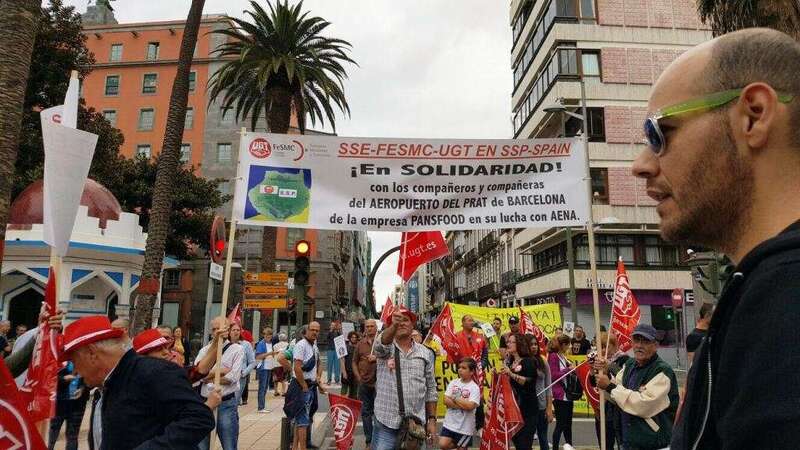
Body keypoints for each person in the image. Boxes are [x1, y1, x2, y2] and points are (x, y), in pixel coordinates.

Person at [630, 27, 800, 449]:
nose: (641, 164)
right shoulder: (762, 287)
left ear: (754, 115)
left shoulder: (786, 300)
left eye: (659, 133)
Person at [62, 316, 213, 450]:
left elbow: (199, 418)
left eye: (75, 361)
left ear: (92, 354)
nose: (75, 371)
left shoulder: (153, 372)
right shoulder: (105, 387)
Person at [595, 325, 678, 450]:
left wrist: (610, 387)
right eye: (636, 340)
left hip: (653, 443)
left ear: (655, 346)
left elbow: (644, 405)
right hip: (628, 440)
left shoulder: (662, 370)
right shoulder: (630, 364)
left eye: (645, 341)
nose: (639, 345)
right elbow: (616, 394)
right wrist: (603, 375)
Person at [372, 306, 438, 450]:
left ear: (412, 324)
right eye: (397, 321)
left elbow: (431, 388)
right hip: (386, 423)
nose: (401, 323)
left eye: (405, 320)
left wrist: (432, 420)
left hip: (415, 426)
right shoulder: (386, 347)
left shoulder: (425, 352)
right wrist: (394, 325)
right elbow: (380, 346)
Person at [132, 328, 223, 410]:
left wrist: (216, 343)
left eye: (165, 347)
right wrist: (209, 405)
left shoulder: (171, 374)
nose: (166, 352)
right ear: (143, 357)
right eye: (158, 349)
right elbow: (183, 421)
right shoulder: (145, 386)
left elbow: (199, 371)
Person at [194, 317, 244, 450]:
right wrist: (222, 371)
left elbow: (232, 377)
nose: (217, 332)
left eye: (220, 328)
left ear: (227, 330)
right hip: (205, 403)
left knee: (229, 445)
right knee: (201, 445)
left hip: (226, 404)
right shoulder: (204, 351)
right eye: (214, 329)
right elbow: (197, 375)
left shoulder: (237, 350)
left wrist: (208, 375)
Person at [290, 321, 327, 450]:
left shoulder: (314, 346)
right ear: (306, 331)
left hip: (310, 385)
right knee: (303, 420)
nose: (315, 332)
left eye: (317, 330)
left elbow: (319, 364)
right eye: (312, 330)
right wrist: (304, 386)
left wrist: (318, 380)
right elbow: (297, 368)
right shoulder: (301, 345)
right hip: (301, 386)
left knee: (301, 420)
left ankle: (295, 446)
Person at [590, 332, 629, 450]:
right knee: (604, 442)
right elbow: (593, 383)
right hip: (602, 407)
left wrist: (609, 366)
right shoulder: (599, 360)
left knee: (621, 441)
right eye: (599, 347)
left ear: (614, 345)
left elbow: (625, 378)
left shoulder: (624, 359)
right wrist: (592, 371)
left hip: (617, 406)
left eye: (605, 346)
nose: (602, 350)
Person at [502, 334, 538, 450]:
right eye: (508, 342)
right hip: (515, 408)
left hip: (527, 409)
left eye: (511, 342)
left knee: (524, 444)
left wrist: (511, 374)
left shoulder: (528, 361)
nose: (508, 344)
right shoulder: (511, 361)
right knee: (517, 442)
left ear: (519, 345)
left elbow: (529, 381)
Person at [454, 315, 488, 431]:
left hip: (477, 374)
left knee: (478, 398)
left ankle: (480, 426)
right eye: (468, 320)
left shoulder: (480, 336)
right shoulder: (456, 337)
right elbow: (454, 355)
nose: (471, 322)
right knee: (463, 397)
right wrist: (462, 369)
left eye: (472, 320)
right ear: (462, 323)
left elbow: (485, 355)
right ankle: (464, 425)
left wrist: (480, 366)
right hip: (464, 373)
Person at [439, 357, 480, 450]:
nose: (460, 370)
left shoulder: (474, 388)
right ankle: (458, 444)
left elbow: (470, 406)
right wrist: (462, 404)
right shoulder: (453, 383)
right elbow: (445, 400)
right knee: (443, 445)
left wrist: (454, 398)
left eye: (464, 368)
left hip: (465, 427)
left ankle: (460, 444)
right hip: (449, 424)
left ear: (472, 371)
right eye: (459, 367)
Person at [47, 360, 89, 450]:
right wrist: (63, 379)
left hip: (78, 404)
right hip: (59, 403)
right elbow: (48, 377)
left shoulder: (86, 358)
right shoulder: (57, 358)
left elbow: (92, 377)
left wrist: (82, 388)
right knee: (52, 434)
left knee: (72, 436)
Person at [353, 319, 378, 450]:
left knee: (379, 413)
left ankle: (378, 440)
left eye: (371, 326)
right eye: (367, 326)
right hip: (363, 384)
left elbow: (390, 358)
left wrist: (377, 358)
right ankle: (369, 441)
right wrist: (358, 377)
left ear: (376, 327)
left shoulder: (381, 343)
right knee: (366, 413)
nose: (369, 328)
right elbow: (354, 362)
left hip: (378, 384)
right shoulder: (360, 344)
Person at [548, 334, 574, 449]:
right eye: (568, 345)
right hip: (559, 395)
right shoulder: (553, 356)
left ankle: (570, 445)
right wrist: (568, 369)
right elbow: (553, 376)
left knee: (568, 424)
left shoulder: (563, 356)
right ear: (563, 345)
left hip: (567, 395)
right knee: (561, 424)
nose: (569, 347)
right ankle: (555, 447)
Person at [529, 335, 554, 450]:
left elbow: (548, 386)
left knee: (543, 437)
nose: (534, 347)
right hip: (527, 406)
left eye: (535, 344)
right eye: (531, 345)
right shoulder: (522, 362)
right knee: (526, 439)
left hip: (541, 406)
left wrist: (549, 407)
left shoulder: (543, 361)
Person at [230, 323, 256, 405]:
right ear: (229, 332)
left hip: (240, 378)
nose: (236, 332)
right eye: (233, 330)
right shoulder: (225, 344)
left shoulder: (246, 345)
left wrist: (244, 373)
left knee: (235, 402)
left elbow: (252, 362)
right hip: (226, 377)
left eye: (238, 330)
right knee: (227, 403)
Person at [255, 326, 276, 412]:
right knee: (262, 387)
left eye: (270, 336)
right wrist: (269, 353)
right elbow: (258, 356)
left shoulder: (271, 344)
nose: (268, 337)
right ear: (264, 335)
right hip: (263, 368)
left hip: (269, 367)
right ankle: (261, 407)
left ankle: (262, 406)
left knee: (265, 387)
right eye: (267, 335)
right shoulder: (261, 344)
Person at [340, 330, 360, 399]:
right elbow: (342, 360)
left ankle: (351, 407)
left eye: (355, 337)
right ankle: (342, 405)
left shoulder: (358, 348)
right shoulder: (344, 347)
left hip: (355, 373)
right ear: (349, 338)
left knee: (354, 393)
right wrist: (344, 372)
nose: (354, 339)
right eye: (352, 337)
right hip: (346, 371)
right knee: (344, 391)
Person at [272, 332, 289, 396]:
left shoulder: (275, 346)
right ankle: (283, 391)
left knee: (275, 378)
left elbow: (273, 354)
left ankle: (276, 391)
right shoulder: (288, 345)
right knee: (284, 378)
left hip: (275, 364)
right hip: (284, 363)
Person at [325, 320, 342, 384]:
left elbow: (341, 338)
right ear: (330, 326)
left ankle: (337, 379)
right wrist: (331, 330)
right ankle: (329, 379)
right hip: (330, 350)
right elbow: (327, 338)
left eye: (334, 325)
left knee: (337, 365)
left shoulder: (338, 332)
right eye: (332, 325)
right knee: (329, 365)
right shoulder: (329, 332)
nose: (333, 326)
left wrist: (339, 329)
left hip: (337, 350)